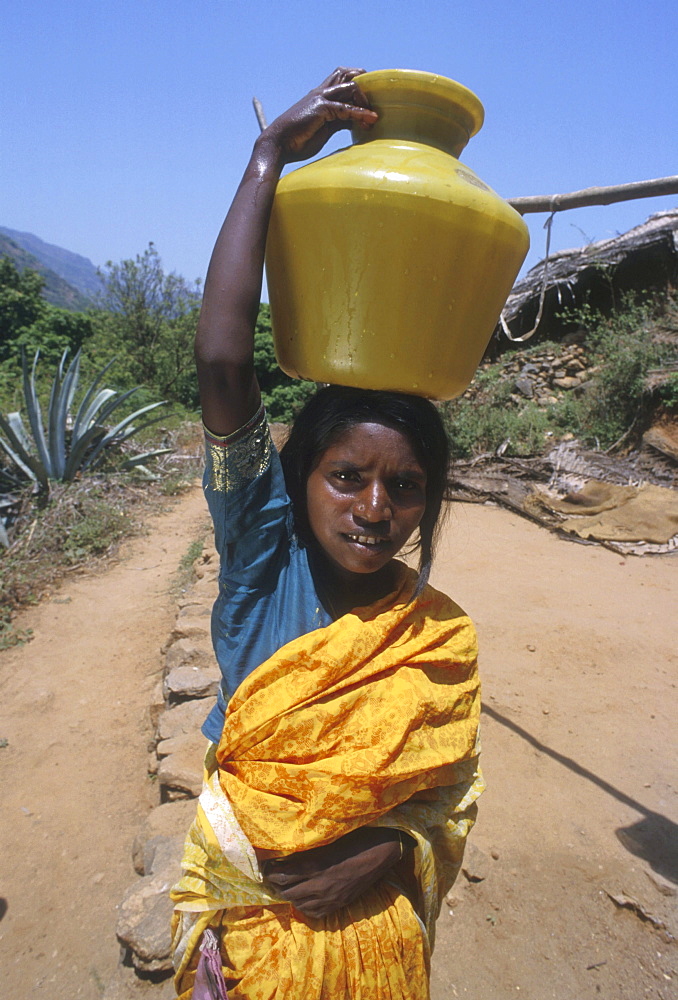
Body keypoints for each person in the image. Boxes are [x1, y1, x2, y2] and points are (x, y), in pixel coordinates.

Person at [170, 68, 484, 1000]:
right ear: (297, 480)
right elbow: (224, 364)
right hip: (247, 928)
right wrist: (268, 157)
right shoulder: (266, 564)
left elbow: (448, 800)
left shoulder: (439, 640)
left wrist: (387, 847)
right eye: (346, 477)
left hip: (377, 947)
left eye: (405, 487)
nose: (374, 508)